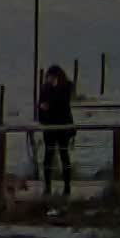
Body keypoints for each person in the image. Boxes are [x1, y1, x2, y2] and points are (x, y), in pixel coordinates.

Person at [39, 65, 75, 196]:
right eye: (49, 77)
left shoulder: (65, 88)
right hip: (49, 126)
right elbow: (41, 107)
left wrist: (49, 105)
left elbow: (63, 106)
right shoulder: (45, 89)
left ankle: (67, 187)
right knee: (48, 157)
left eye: (53, 77)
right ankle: (47, 187)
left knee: (64, 155)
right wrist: (45, 110)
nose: (51, 79)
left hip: (63, 127)